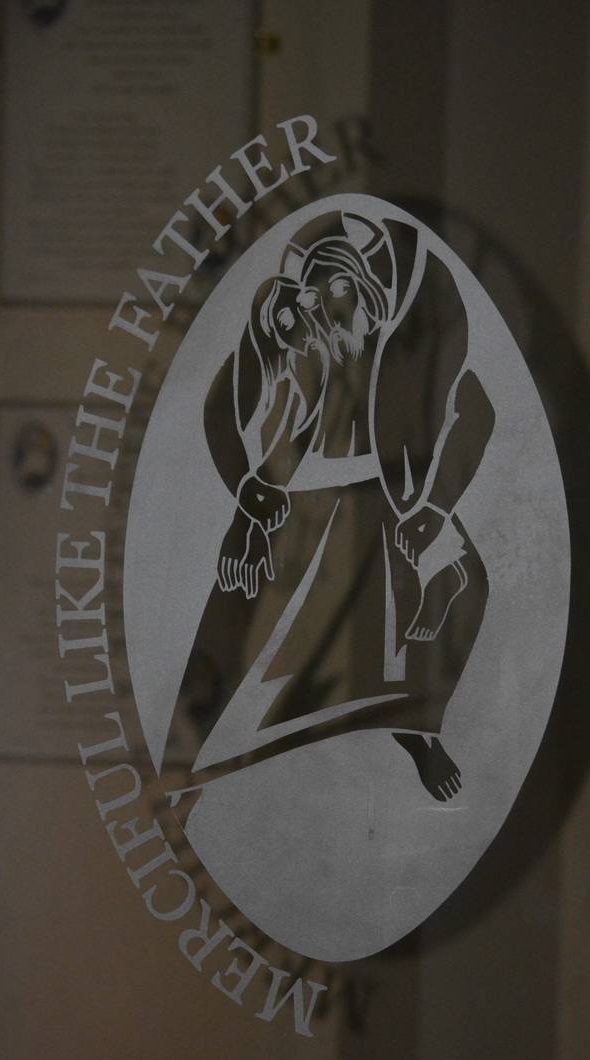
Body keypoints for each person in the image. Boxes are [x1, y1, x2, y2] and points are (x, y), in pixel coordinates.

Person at [171, 209, 494, 802]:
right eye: (318, 294)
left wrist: (432, 512)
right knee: (280, 663)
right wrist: (250, 498)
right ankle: (254, 767)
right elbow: (226, 413)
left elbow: (463, 418)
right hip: (306, 528)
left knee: (389, 649)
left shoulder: (403, 353)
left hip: (376, 521)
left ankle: (408, 736)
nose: (331, 307)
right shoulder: (289, 343)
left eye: (343, 287)